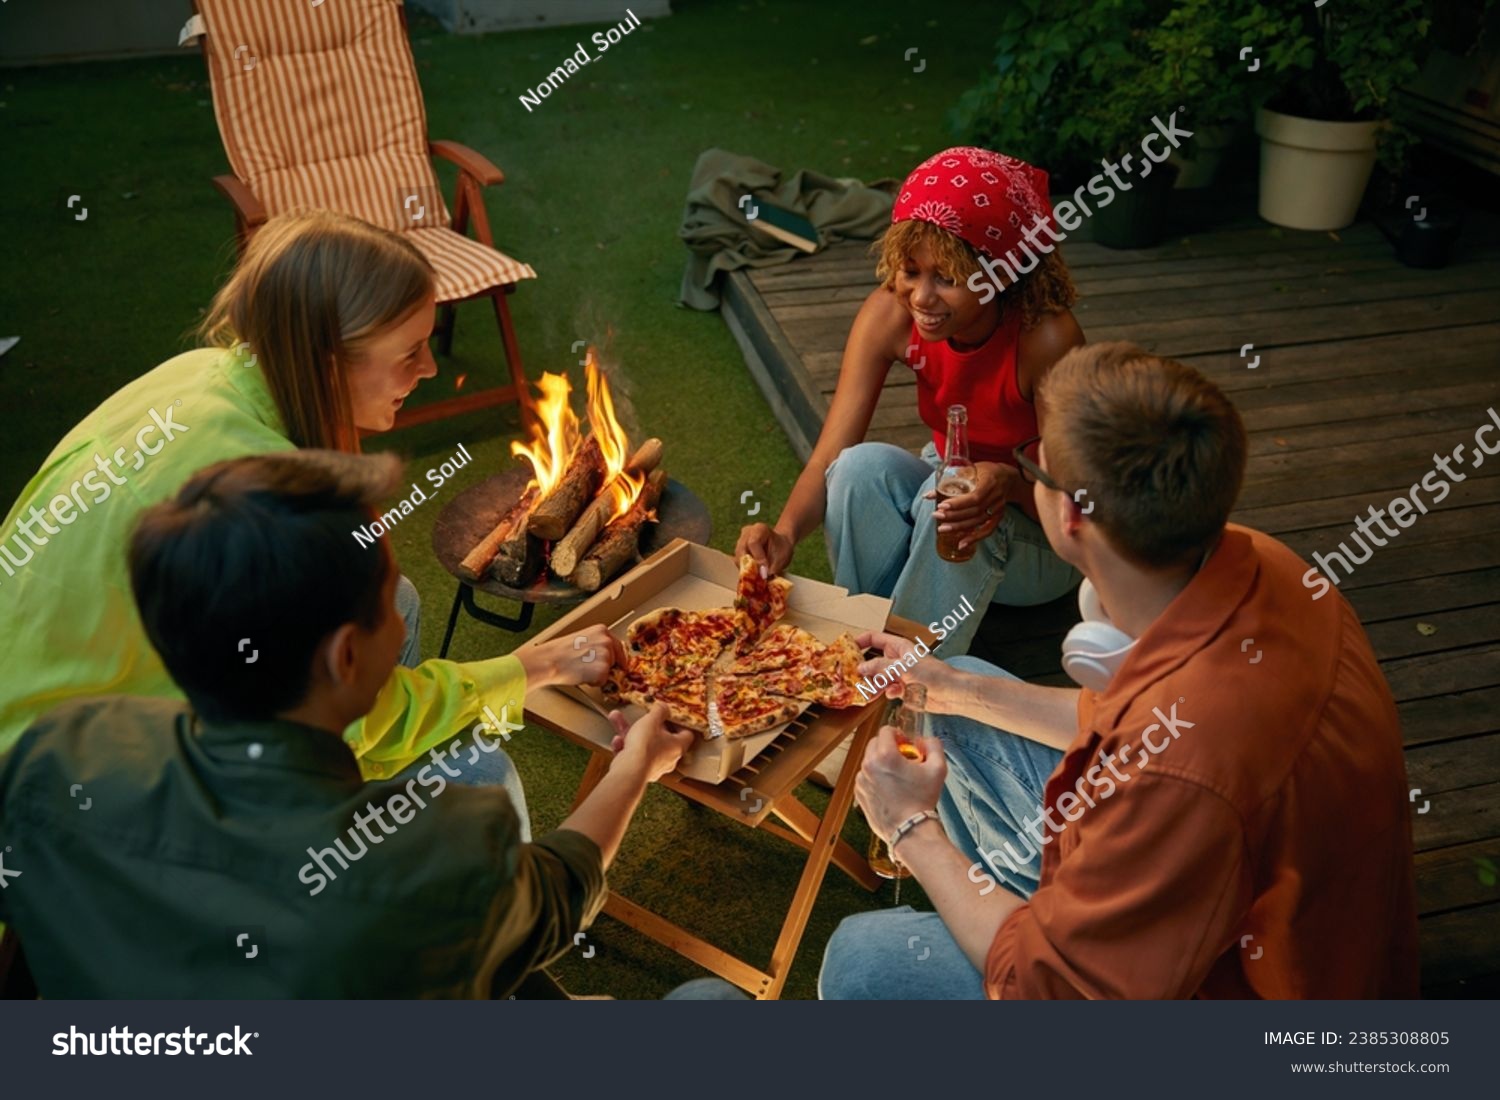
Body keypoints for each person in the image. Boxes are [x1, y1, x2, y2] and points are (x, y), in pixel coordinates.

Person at [819, 342, 1419, 999]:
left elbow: (1049, 991)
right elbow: (1129, 714)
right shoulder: (1267, 565)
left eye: (1031, 463)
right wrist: (947, 687)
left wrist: (912, 829)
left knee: (862, 962)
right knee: (954, 687)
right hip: (1252, 903)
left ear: (1070, 514)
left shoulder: (1178, 773)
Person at [0, 450, 694, 998]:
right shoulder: (434, 852)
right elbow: (559, 890)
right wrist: (634, 768)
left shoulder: (59, 752)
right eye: (386, 602)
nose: (401, 615)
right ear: (345, 655)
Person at [0, 211, 579, 815]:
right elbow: (362, 716)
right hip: (72, 807)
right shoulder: (272, 502)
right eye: (410, 351)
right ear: (328, 358)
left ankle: (341, 796)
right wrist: (529, 669)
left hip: (49, 696)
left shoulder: (198, 373)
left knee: (398, 599)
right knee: (481, 780)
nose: (430, 369)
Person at [736, 147, 1084, 658]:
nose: (921, 297)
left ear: (1002, 274)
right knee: (859, 469)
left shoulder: (1046, 339)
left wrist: (1007, 484)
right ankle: (856, 646)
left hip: (1045, 542)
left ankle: (903, 687)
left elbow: (1078, 506)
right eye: (910, 270)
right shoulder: (889, 315)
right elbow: (828, 457)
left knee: (946, 504)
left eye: (947, 278)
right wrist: (786, 535)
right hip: (947, 477)